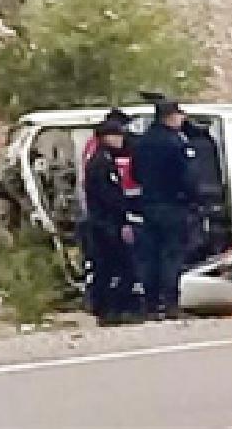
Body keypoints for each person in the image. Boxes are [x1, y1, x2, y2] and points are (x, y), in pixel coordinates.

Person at [133, 100, 198, 320]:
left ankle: (151, 305)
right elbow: (187, 177)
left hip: (149, 206)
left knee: (151, 257)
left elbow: (135, 175)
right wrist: (193, 199)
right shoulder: (175, 142)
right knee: (172, 255)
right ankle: (170, 304)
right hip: (173, 205)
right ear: (170, 117)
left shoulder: (142, 143)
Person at [83, 119, 141, 325]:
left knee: (108, 268)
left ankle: (106, 309)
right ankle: (110, 310)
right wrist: (124, 219)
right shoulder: (101, 164)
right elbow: (110, 197)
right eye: (116, 136)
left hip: (105, 222)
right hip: (106, 224)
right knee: (118, 267)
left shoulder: (104, 159)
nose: (121, 140)